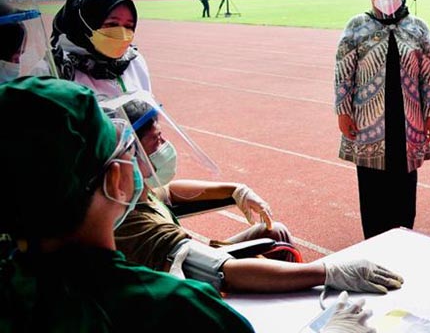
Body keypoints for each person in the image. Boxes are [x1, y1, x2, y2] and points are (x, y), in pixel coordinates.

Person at [0, 76, 374, 333]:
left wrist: (234, 191)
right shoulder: (169, 312)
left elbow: (167, 193)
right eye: (123, 150)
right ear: (114, 179)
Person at [113, 93, 405, 294]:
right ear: (130, 155)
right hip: (194, 286)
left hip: (189, 266)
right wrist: (327, 272)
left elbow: (168, 192)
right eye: (156, 141)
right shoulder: (137, 225)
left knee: (275, 231)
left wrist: (235, 190)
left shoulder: (135, 191)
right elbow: (222, 272)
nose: (165, 146)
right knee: (280, 252)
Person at [336, 0, 430, 239]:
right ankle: (373, 242)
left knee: (404, 190)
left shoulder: (417, 28)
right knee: (372, 191)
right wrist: (343, 111)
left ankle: (403, 239)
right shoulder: (357, 26)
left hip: (408, 123)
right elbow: (344, 71)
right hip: (368, 123)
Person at [51, 0, 152, 99]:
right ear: (85, 24)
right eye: (112, 24)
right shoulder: (54, 71)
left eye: (128, 26)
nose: (122, 34)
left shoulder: (135, 62)